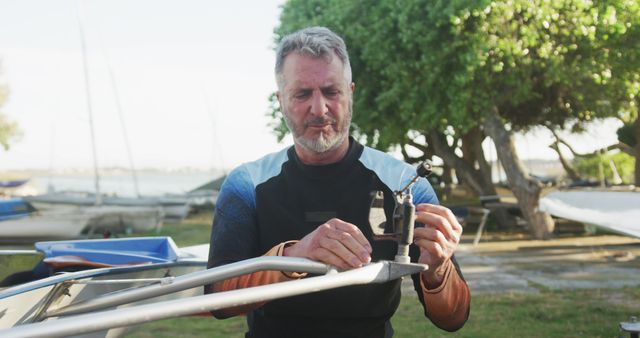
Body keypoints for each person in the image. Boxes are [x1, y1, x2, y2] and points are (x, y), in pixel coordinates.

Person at [206, 26, 470, 338]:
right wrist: (294, 256)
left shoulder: (404, 183)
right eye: (302, 94)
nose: (319, 109)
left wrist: (438, 269)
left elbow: (452, 319)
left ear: (350, 93)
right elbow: (218, 299)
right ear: (280, 100)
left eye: (331, 92)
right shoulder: (247, 183)